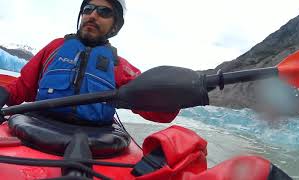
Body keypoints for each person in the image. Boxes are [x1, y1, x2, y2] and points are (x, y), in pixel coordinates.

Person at [0, 0, 178, 125]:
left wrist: (177, 97)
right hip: (39, 125)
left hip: (93, 140)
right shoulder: (55, 48)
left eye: (104, 12)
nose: (93, 15)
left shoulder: (120, 67)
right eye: (88, 9)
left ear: (115, 26)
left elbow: (159, 111)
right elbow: (21, 88)